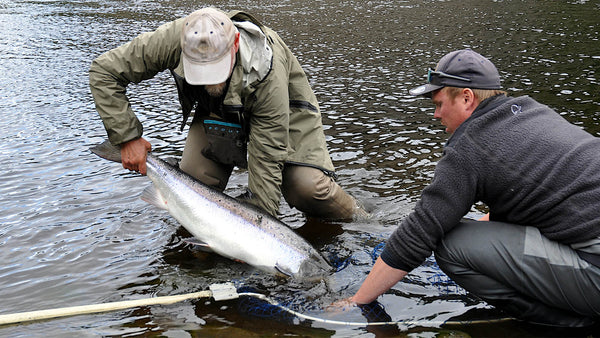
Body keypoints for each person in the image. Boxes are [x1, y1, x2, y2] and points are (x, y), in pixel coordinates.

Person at [346, 49, 600, 327]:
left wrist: (356, 302)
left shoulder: (470, 147)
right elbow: (537, 197)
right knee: (478, 228)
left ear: (466, 98)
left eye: (439, 103)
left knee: (452, 245)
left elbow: (418, 234)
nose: (436, 114)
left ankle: (566, 323)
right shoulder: (532, 113)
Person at [89, 7, 365, 220]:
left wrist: (259, 223)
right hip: (219, 112)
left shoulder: (266, 70)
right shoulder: (173, 39)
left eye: (215, 69)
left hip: (284, 116)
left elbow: (267, 158)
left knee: (305, 188)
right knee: (193, 189)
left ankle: (360, 218)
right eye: (201, 70)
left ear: (234, 44)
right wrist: (127, 138)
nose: (209, 80)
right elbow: (105, 72)